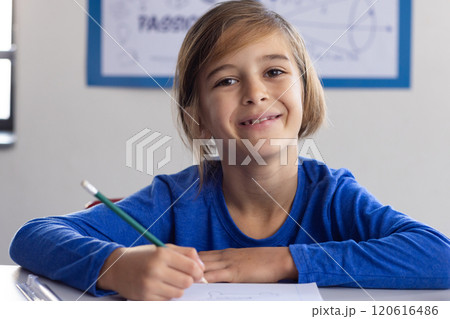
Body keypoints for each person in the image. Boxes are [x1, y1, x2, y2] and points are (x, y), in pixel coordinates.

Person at [10, 0, 449, 301]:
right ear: (197, 116)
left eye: (274, 71)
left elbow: (439, 256)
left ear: (307, 93)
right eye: (226, 80)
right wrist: (117, 265)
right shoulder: (176, 200)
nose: (256, 93)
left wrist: (282, 261)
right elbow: (32, 237)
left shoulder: (333, 197)